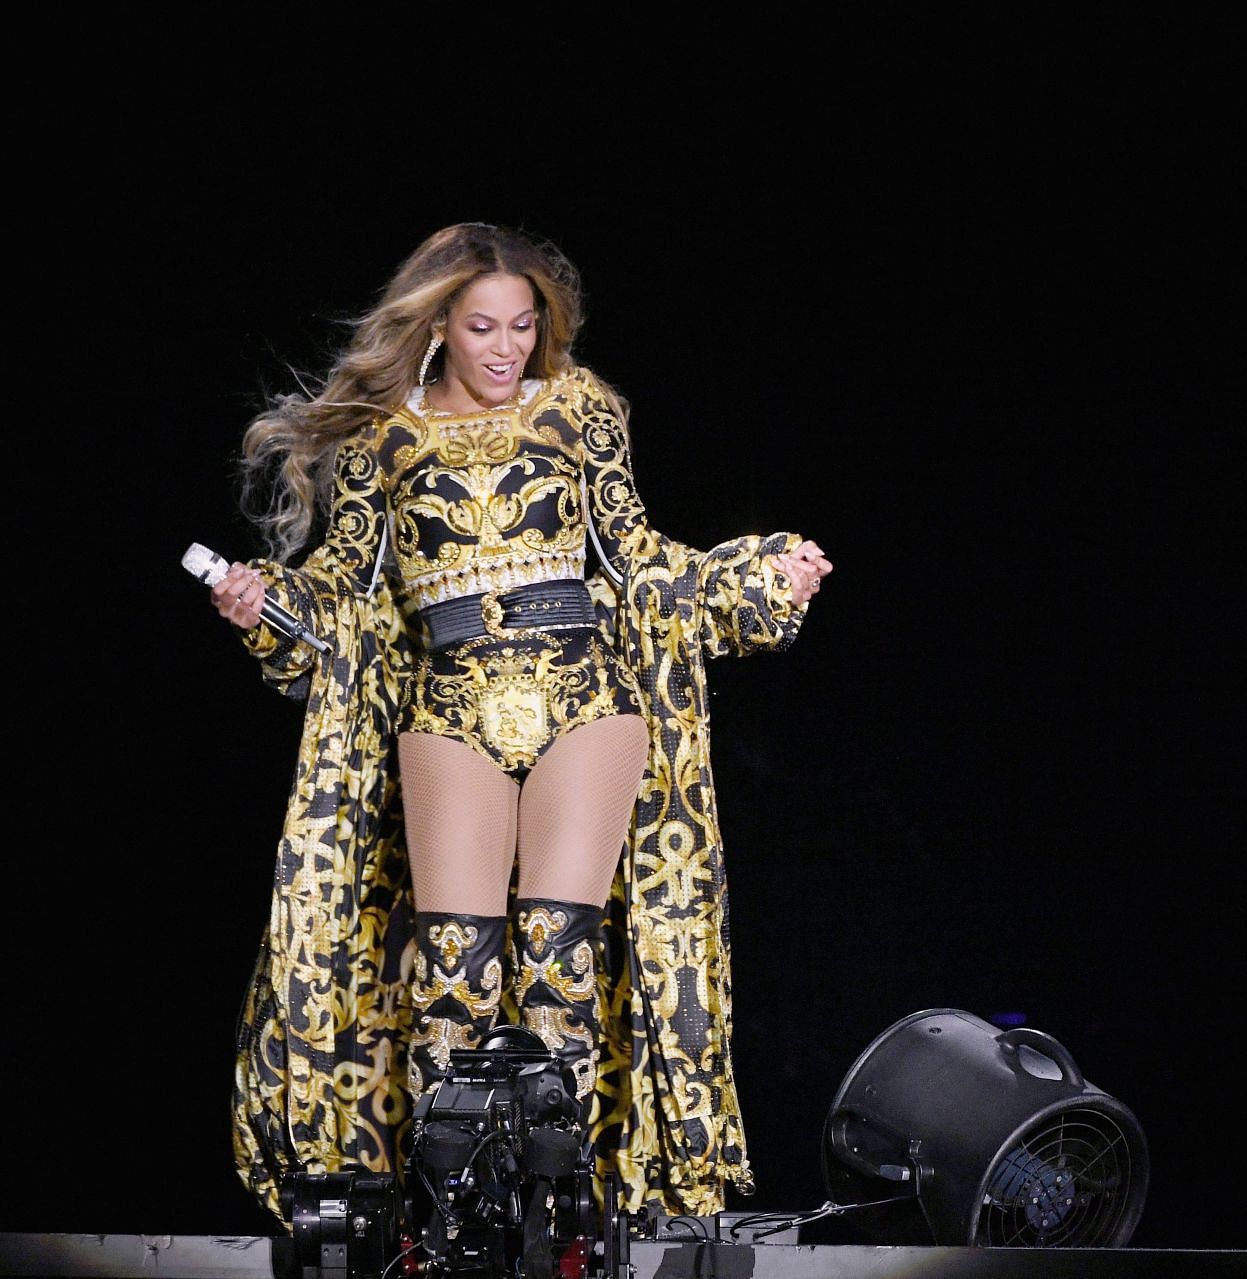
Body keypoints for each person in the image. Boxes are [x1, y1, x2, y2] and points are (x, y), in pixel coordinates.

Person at [210, 222, 831, 1224]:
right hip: (447, 699)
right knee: (451, 978)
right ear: (439, 328)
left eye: (523, 323)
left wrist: (756, 576)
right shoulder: (383, 436)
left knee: (558, 959)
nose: (505, 347)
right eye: (482, 325)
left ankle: (560, 1210)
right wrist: (262, 598)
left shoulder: (581, 409)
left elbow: (638, 559)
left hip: (582, 688)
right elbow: (337, 594)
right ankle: (452, 1213)